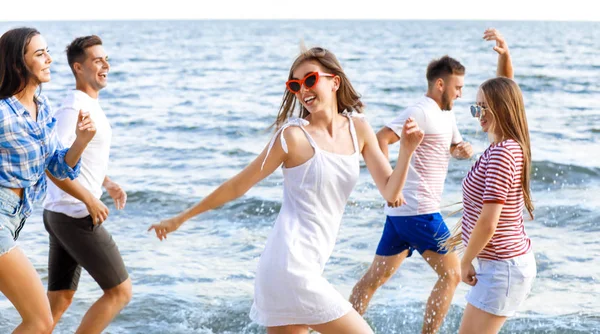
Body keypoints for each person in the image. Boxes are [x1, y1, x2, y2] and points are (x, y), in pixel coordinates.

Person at [149, 46, 424, 334]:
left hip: (304, 266)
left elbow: (392, 193)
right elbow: (238, 185)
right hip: (290, 266)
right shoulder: (292, 137)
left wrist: (406, 151)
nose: (302, 90)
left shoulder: (359, 129)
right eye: (295, 85)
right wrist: (180, 218)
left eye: (309, 79)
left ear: (335, 81)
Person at [350, 55, 473, 333]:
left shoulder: (446, 113)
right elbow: (381, 138)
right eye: (457, 87)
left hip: (401, 216)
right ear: (440, 84)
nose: (460, 93)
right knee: (452, 275)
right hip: (420, 211)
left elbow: (451, 146)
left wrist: (462, 149)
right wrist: (388, 184)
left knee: (374, 278)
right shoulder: (420, 111)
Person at [0, 27, 95, 333]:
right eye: (40, 54)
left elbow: (57, 166)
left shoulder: (43, 111)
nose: (50, 59)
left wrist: (81, 141)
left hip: (15, 219)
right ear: (18, 64)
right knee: (40, 321)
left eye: (47, 51)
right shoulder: (2, 112)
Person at [42, 35, 132, 334]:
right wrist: (90, 200)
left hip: (60, 214)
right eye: (97, 60)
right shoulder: (73, 109)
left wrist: (105, 182)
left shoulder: (87, 104)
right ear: (78, 68)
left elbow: (75, 156)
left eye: (106, 59)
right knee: (120, 292)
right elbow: (53, 166)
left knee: (59, 302)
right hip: (75, 215)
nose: (105, 64)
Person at [453, 28, 536, 334]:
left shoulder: (504, 153)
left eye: (482, 107)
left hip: (503, 269)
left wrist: (465, 261)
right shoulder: (505, 145)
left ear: (501, 108)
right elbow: (506, 91)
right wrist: (505, 58)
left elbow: (489, 222)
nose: (478, 115)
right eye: (475, 107)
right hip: (501, 266)